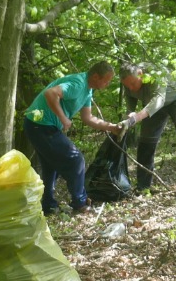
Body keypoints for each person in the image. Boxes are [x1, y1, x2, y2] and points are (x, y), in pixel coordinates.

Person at [23, 61, 123, 215]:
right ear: (96, 77)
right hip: (40, 125)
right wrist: (63, 118)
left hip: (39, 125)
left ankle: (48, 206)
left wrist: (112, 127)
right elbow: (50, 93)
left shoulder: (88, 90)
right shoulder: (78, 84)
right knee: (76, 160)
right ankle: (80, 203)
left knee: (51, 167)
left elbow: (88, 118)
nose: (107, 84)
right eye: (106, 80)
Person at [117, 62, 176, 190]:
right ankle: (143, 187)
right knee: (146, 142)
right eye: (127, 86)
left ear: (140, 74)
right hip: (151, 106)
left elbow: (158, 100)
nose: (131, 88)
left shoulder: (154, 74)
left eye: (133, 84)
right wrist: (129, 116)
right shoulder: (128, 83)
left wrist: (136, 118)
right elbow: (130, 102)